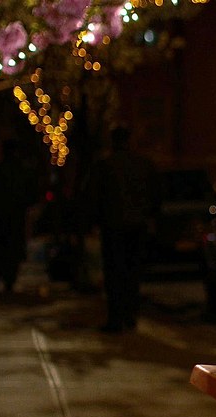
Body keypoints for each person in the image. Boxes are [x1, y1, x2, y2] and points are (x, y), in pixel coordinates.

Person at [86, 126, 160, 333]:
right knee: (132, 273)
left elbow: (93, 195)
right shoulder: (143, 164)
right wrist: (149, 216)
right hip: (136, 226)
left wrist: (94, 221)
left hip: (113, 226)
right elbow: (156, 194)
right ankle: (130, 315)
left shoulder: (105, 165)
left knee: (114, 273)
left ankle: (116, 317)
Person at [0, 139, 39, 292]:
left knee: (0, 245)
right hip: (12, 216)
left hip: (1, 216)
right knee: (11, 246)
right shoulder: (20, 172)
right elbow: (31, 194)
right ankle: (7, 275)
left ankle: (0, 273)